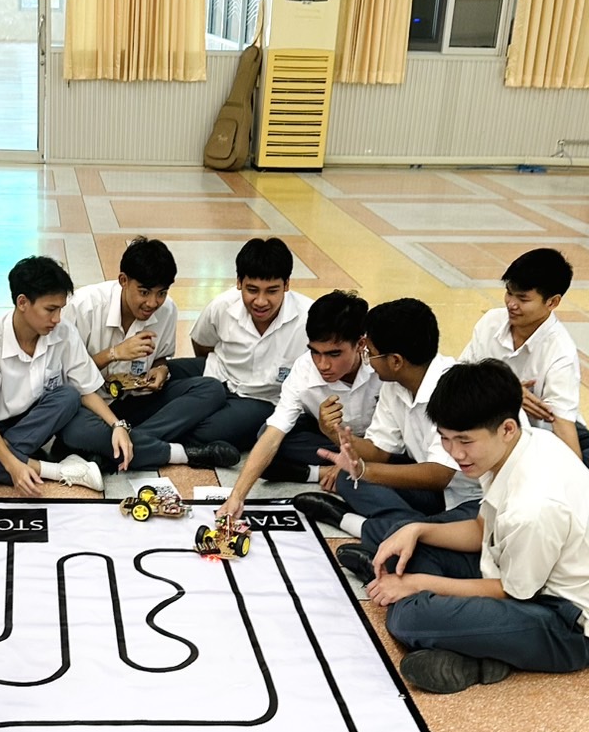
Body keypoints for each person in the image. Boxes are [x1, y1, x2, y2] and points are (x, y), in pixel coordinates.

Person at [365, 360, 589, 695]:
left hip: (562, 622)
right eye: (445, 438)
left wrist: (417, 583)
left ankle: (474, 653)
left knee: (409, 618)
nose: (455, 453)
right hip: (508, 570)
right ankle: (474, 646)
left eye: (465, 441)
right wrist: (418, 531)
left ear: (507, 428)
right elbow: (482, 529)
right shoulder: (518, 446)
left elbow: (512, 591)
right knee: (402, 536)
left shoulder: (534, 506)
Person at [292, 299, 480, 581]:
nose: (367, 360)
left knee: (424, 538)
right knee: (348, 478)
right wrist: (336, 434)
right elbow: (379, 451)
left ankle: (354, 523)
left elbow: (439, 475)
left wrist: (365, 471)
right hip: (437, 495)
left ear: (396, 361)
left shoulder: (455, 389)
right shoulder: (396, 384)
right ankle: (407, 532)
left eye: (371, 353)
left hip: (477, 501)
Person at [0, 255, 134, 496]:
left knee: (68, 396)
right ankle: (57, 470)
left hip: (35, 422)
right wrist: (14, 466)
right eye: (50, 309)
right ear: (22, 302)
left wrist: (117, 425)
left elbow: (86, 390)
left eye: (60, 309)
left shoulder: (63, 332)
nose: (57, 319)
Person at [59, 235, 237, 471]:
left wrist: (161, 369)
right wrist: (114, 353)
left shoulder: (167, 310)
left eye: (161, 293)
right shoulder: (83, 307)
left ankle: (121, 445)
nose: (153, 303)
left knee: (211, 389)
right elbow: (65, 378)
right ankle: (180, 453)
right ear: (123, 280)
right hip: (89, 406)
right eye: (144, 292)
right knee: (73, 431)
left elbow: (161, 357)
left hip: (133, 401)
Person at [219, 292, 380, 513]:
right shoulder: (304, 369)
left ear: (360, 344)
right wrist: (236, 497)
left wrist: (356, 458)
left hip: (379, 446)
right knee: (267, 438)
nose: (322, 365)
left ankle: (349, 468)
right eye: (315, 352)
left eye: (334, 354)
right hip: (326, 442)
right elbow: (274, 434)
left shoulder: (381, 370)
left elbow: (394, 439)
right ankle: (325, 471)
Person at [166, 237, 312, 453]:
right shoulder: (222, 305)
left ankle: (164, 440)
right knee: (160, 376)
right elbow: (201, 342)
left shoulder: (308, 318)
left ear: (287, 285)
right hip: (218, 374)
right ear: (239, 283)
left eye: (272, 291)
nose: (261, 301)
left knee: (210, 431)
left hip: (264, 400)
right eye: (252, 290)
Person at [459, 247, 589, 466]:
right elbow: (460, 378)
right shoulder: (491, 323)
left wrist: (574, 479)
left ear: (552, 302)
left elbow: (561, 424)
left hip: (548, 436)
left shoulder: (560, 351)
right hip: (498, 428)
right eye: (509, 292)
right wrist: (507, 392)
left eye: (523, 299)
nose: (511, 304)